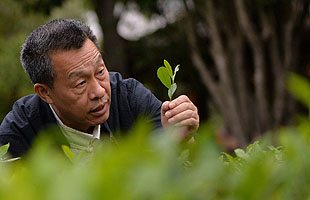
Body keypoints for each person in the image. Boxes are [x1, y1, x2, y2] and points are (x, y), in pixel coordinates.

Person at [0, 18, 199, 157]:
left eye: (100, 71)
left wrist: (180, 136)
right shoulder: (18, 133)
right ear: (45, 92)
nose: (99, 92)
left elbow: (180, 165)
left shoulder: (128, 98)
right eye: (80, 83)